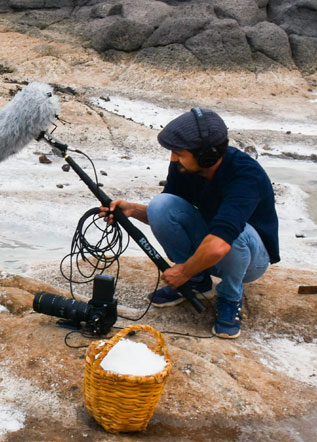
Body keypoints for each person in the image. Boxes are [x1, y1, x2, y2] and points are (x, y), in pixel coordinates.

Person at [101, 108, 279, 339]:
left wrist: (182, 271)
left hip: (250, 260)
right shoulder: (183, 167)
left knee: (234, 233)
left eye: (179, 152)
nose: (173, 158)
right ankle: (197, 282)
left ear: (207, 156)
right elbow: (169, 214)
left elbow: (220, 244)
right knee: (161, 204)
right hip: (213, 245)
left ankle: (230, 297)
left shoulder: (245, 175)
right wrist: (132, 210)